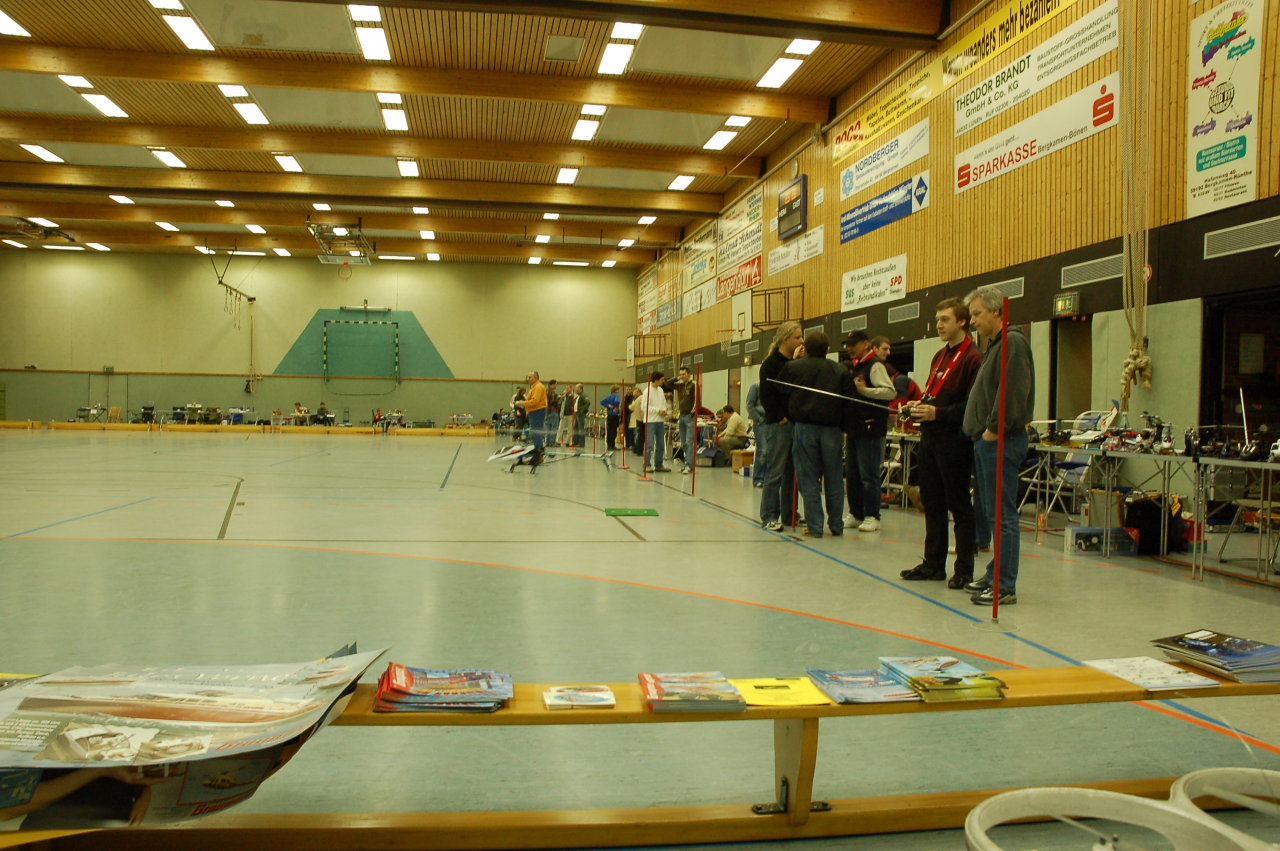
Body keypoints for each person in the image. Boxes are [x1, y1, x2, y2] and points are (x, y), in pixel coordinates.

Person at [898, 297, 983, 588]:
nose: (939, 325)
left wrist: (939, 413)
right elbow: (934, 394)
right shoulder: (939, 356)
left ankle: (964, 569)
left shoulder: (973, 358)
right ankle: (933, 563)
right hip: (930, 438)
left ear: (962, 321)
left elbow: (972, 406)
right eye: (937, 320)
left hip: (955, 440)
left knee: (959, 504)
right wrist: (918, 405)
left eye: (945, 319)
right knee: (932, 502)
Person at [963, 286, 1035, 605]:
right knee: (992, 514)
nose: (973, 321)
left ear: (996, 311)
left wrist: (994, 429)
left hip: (1000, 440)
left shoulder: (1012, 343)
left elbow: (1013, 390)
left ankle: (1004, 584)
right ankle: (995, 573)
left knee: (1002, 516)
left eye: (977, 314)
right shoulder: (994, 345)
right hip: (985, 441)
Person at [778, 331, 854, 538]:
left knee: (808, 478)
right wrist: (844, 427)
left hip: (804, 428)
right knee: (834, 478)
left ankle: (815, 526)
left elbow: (780, 392)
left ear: (805, 348)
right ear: (828, 349)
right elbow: (849, 401)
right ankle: (836, 525)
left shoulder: (793, 367)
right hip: (832, 430)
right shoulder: (840, 369)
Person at [843, 331, 896, 532]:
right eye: (848, 344)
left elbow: (890, 392)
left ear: (866, 344)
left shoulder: (875, 366)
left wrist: (864, 391)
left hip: (871, 429)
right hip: (855, 428)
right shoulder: (856, 366)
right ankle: (856, 513)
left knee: (869, 475)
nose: (849, 348)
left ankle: (873, 515)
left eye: (853, 344)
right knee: (853, 474)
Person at [759, 321, 805, 531]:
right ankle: (769, 515)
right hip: (778, 425)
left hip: (795, 423)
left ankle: (790, 514)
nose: (801, 341)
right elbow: (767, 395)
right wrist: (780, 417)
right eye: (797, 337)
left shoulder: (796, 362)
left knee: (792, 473)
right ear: (785, 339)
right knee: (775, 471)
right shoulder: (771, 364)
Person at [638, 371, 670, 472]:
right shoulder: (647, 391)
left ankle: (659, 464)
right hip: (650, 421)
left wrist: (664, 410)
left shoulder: (660, 390)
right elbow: (644, 407)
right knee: (649, 444)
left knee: (660, 444)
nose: (663, 381)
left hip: (660, 421)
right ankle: (646, 465)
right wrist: (657, 411)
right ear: (656, 380)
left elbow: (663, 403)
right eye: (662, 380)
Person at [667, 367, 697, 473]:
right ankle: (687, 464)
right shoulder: (679, 385)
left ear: (689, 374)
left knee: (689, 442)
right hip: (681, 416)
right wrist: (677, 378)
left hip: (689, 417)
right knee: (683, 443)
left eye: (684, 374)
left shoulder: (693, 385)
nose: (682, 376)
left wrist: (692, 413)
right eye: (681, 374)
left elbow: (697, 400)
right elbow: (668, 384)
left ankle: (689, 465)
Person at [515, 370, 548, 460]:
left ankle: (538, 451)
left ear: (535, 377)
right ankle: (539, 448)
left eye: (530, 377)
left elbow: (535, 401)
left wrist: (523, 403)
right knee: (535, 431)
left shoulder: (538, 387)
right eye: (528, 377)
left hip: (537, 411)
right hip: (534, 411)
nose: (528, 379)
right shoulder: (534, 387)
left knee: (535, 431)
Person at [745, 381, 766, 487]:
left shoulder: (773, 386)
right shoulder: (755, 386)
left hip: (772, 423)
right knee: (763, 450)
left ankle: (766, 478)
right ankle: (758, 478)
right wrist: (759, 418)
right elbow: (749, 405)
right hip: (760, 423)